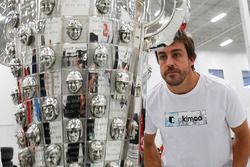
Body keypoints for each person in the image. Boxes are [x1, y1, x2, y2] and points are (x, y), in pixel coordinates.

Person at [144, 30, 250, 167]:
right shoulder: (152, 99)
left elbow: (243, 135)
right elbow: (148, 144)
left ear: (192, 59)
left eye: (176, 55)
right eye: (163, 56)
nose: (169, 62)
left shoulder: (222, 91)